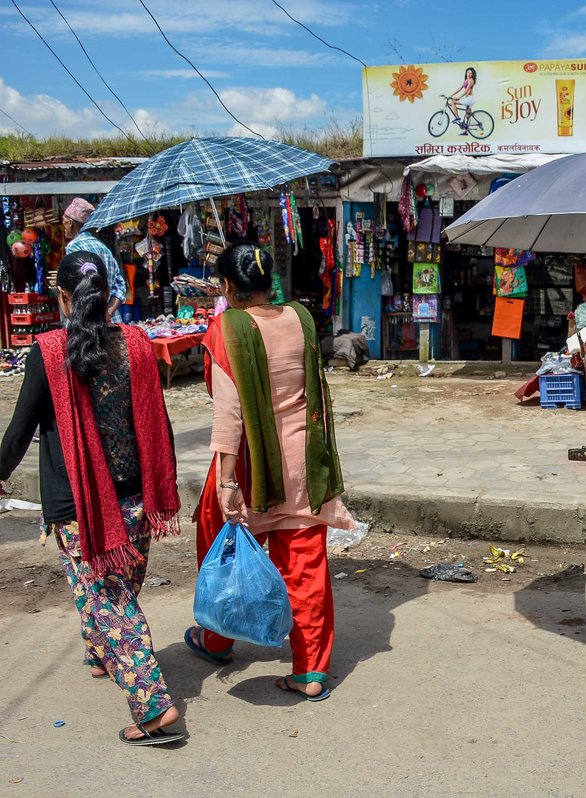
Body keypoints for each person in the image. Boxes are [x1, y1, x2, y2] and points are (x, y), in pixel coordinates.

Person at [0, 252, 183, 746]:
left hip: (80, 506)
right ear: (110, 298)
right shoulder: (139, 344)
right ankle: (100, 652)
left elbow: (19, 430)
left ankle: (152, 707)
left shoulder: (50, 350)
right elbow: (158, 421)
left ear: (62, 299)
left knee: (110, 601)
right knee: (113, 592)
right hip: (139, 498)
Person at [186, 243, 351, 702]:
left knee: (222, 547)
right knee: (306, 565)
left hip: (252, 465)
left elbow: (228, 414)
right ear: (267, 281)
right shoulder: (299, 318)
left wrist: (226, 480)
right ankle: (310, 671)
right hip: (301, 462)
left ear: (225, 287)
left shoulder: (227, 330)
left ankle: (218, 639)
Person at [62, 198, 127, 318]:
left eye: (64, 222)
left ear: (70, 222)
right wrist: (108, 313)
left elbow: (79, 287)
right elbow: (120, 287)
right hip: (112, 319)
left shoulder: (74, 246)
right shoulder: (103, 248)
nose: (64, 227)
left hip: (89, 321)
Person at [448, 66, 478, 134]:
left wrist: (458, 97)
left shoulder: (471, 80)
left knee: (453, 102)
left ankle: (457, 118)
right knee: (467, 115)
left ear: (472, 74)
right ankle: (466, 131)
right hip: (467, 98)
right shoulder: (466, 80)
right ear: (466, 73)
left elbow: (466, 90)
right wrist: (451, 95)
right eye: (468, 72)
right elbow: (460, 89)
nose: (469, 74)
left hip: (469, 99)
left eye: (471, 73)